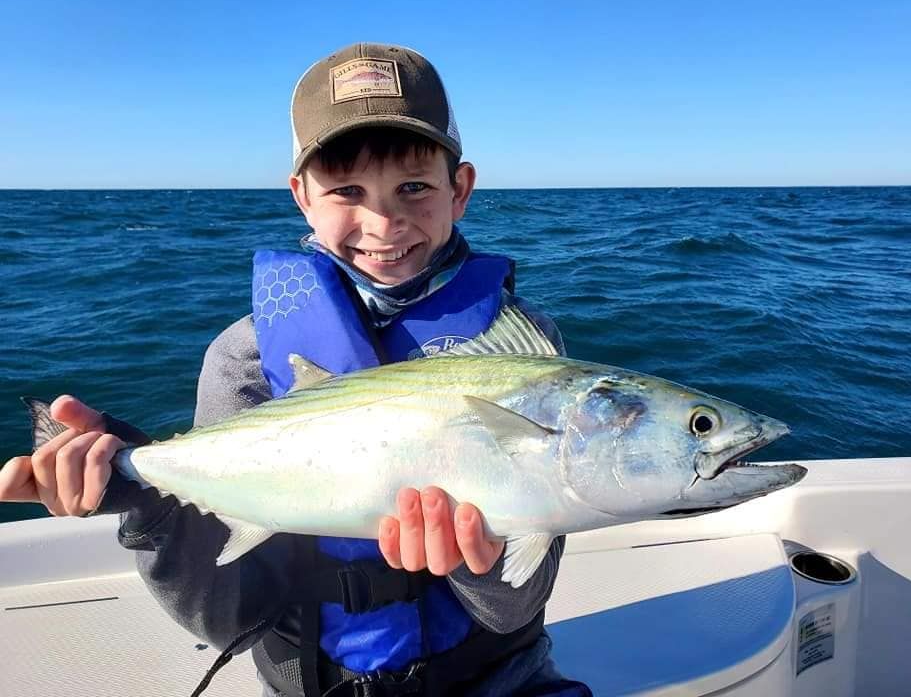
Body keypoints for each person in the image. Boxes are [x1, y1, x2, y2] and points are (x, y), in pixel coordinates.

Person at [0, 43, 591, 697]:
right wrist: (146, 502)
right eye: (346, 191)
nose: (383, 221)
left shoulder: (522, 348)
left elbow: (513, 607)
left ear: (461, 188)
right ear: (301, 196)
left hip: (501, 678)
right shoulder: (246, 358)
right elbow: (227, 615)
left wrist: (477, 565)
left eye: (414, 187)